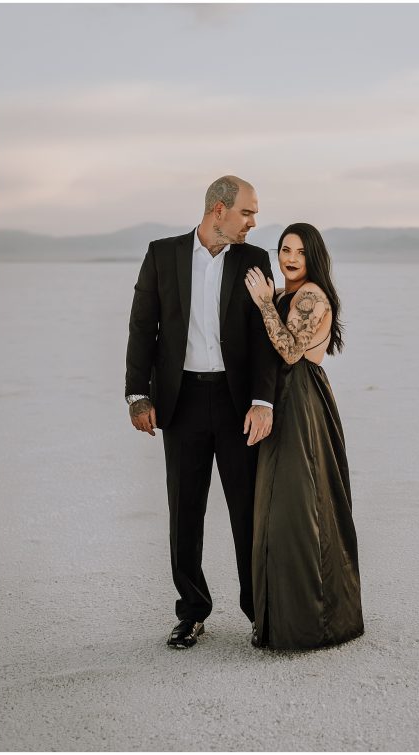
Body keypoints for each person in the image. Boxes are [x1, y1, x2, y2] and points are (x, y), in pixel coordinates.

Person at [125, 175, 279, 648]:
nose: (254, 222)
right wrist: (137, 394)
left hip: (237, 406)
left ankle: (259, 612)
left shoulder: (254, 259)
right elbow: (141, 327)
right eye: (247, 212)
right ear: (219, 209)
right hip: (182, 401)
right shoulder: (163, 254)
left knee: (246, 512)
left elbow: (261, 338)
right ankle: (192, 612)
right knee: (185, 511)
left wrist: (263, 401)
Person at [244, 222, 364, 650]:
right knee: (278, 508)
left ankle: (314, 622)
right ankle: (280, 620)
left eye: (299, 251)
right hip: (284, 395)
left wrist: (263, 305)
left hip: (301, 400)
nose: (289, 258)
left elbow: (291, 351)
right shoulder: (283, 295)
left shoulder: (311, 295)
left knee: (299, 508)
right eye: (284, 250)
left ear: (313, 257)